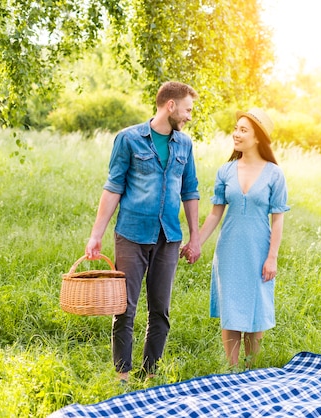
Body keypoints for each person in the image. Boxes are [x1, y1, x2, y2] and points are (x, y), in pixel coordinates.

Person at [85, 81, 201, 382]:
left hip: (169, 238)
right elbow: (113, 187)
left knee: (160, 311)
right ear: (170, 106)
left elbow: (190, 191)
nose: (189, 116)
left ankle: (149, 376)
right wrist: (96, 234)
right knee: (124, 308)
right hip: (132, 235)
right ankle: (122, 376)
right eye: (187, 109)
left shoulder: (185, 144)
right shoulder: (129, 139)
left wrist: (195, 236)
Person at [187, 108, 289, 368]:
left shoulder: (274, 174)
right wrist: (195, 241)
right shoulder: (226, 171)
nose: (236, 134)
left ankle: (250, 369)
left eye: (243, 130)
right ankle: (231, 370)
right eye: (236, 128)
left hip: (258, 250)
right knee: (231, 310)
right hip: (229, 249)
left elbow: (278, 219)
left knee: (255, 310)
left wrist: (272, 257)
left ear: (258, 138)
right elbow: (214, 215)